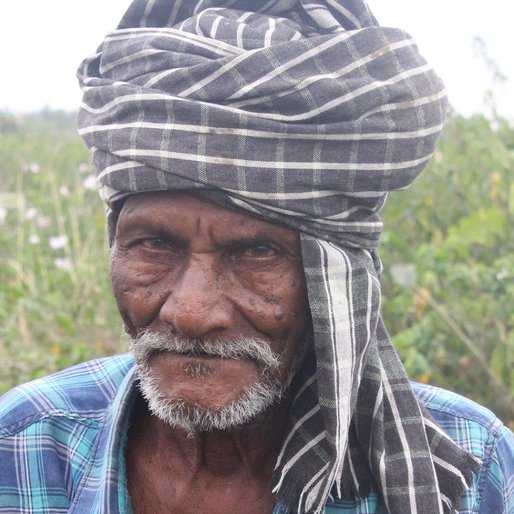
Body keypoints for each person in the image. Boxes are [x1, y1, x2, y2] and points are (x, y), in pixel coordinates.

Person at [1, 0, 513, 512]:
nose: (191, 313)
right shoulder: (23, 445)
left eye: (257, 252)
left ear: (333, 277)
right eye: (154, 245)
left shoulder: (477, 469)